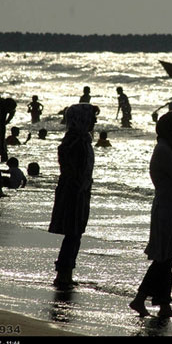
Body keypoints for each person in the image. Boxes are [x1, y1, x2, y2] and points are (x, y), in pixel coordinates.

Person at [129, 111, 172, 318]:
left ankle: (163, 303)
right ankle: (141, 299)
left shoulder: (169, 148)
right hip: (167, 207)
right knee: (164, 258)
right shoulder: (164, 150)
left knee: (168, 258)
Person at [49, 103, 99, 289]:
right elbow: (72, 170)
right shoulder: (75, 142)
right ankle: (64, 274)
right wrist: (79, 188)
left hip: (77, 190)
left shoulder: (79, 139)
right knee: (73, 232)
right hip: (73, 191)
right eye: (92, 117)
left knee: (75, 232)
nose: (95, 121)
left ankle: (65, 272)